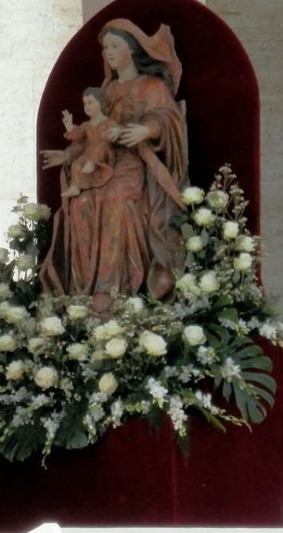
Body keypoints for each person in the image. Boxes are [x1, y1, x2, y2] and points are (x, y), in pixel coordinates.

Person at [40, 19, 187, 313]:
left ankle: (115, 291)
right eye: (105, 47)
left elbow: (169, 118)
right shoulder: (106, 90)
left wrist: (145, 130)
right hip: (103, 161)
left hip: (136, 163)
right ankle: (84, 293)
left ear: (131, 49)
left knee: (117, 201)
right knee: (80, 205)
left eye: (115, 46)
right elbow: (91, 132)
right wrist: (67, 156)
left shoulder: (152, 86)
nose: (108, 52)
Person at [56, 87, 118, 198]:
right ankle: (75, 187)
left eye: (90, 102)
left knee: (100, 147)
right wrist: (70, 127)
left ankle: (93, 164)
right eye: (85, 103)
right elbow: (79, 136)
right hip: (88, 153)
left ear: (100, 103)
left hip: (104, 151)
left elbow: (115, 134)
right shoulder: (86, 125)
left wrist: (116, 133)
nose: (87, 106)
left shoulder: (108, 121)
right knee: (76, 164)